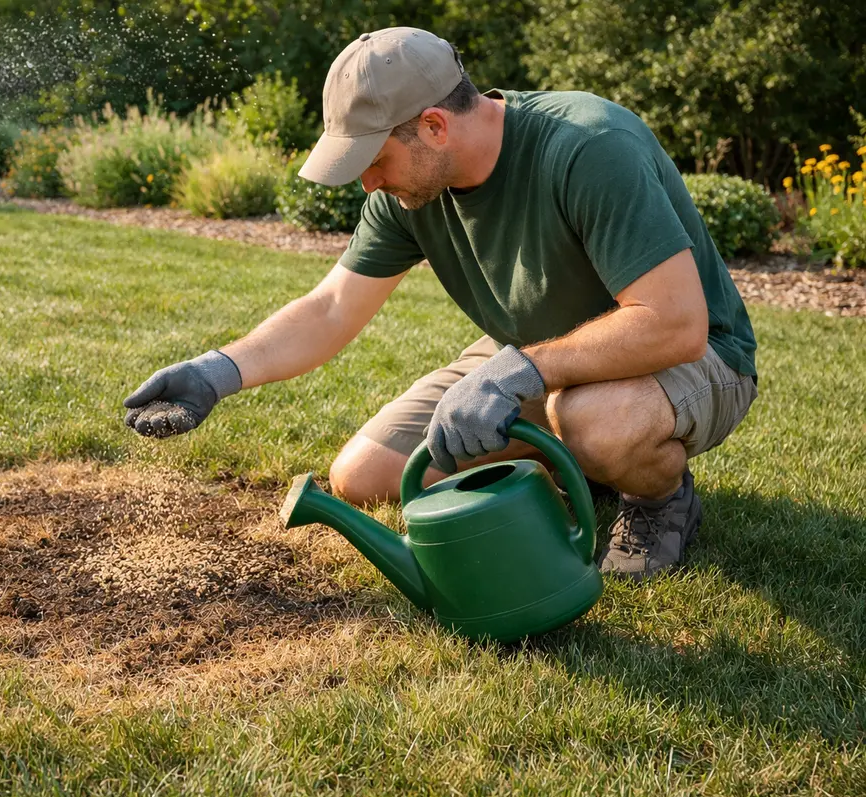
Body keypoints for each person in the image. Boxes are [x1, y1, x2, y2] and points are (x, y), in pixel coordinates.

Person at [122, 27, 758, 581]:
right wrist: (215, 372)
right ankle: (581, 464)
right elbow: (331, 309)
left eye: (374, 159)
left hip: (694, 357)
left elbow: (675, 325)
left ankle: (659, 501)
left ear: (433, 124)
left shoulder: (588, 148)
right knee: (365, 475)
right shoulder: (407, 191)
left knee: (595, 420)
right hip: (543, 356)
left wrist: (519, 372)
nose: (367, 181)